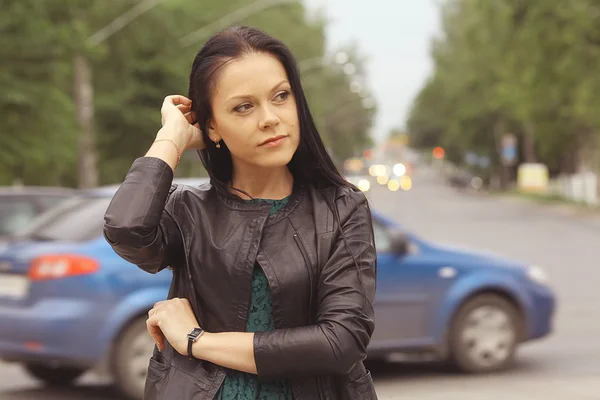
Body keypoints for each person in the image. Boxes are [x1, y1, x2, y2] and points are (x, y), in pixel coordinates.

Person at [103, 26, 377, 400]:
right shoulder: (188, 213)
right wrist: (172, 136)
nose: (270, 118)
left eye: (281, 96)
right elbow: (126, 228)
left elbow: (341, 341)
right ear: (212, 124)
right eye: (243, 107)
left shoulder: (340, 209)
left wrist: (196, 341)